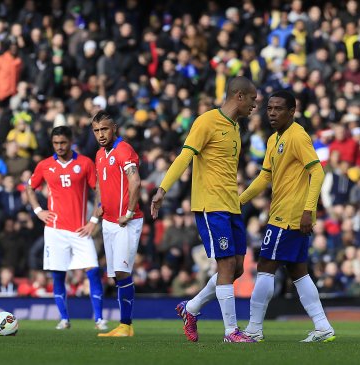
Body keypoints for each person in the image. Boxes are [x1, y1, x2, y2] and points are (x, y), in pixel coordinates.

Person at [151, 76, 258, 343]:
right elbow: (185, 156)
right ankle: (231, 332)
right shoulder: (206, 121)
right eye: (253, 100)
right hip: (211, 205)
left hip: (231, 205)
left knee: (236, 270)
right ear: (239, 97)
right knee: (225, 264)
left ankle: (191, 308)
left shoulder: (234, 127)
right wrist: (162, 189)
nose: (255, 106)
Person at [239, 91, 335, 343]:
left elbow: (318, 173)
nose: (272, 113)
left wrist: (307, 211)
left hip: (289, 215)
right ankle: (323, 327)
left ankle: (253, 330)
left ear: (292, 111)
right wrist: (239, 201)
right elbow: (264, 177)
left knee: (265, 267)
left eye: (278, 109)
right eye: (269, 108)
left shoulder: (297, 136)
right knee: (298, 271)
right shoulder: (273, 139)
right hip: (282, 213)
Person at [26, 126, 107, 331]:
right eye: (56, 143)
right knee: (58, 275)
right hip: (55, 230)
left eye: (63, 142)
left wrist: (93, 221)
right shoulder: (45, 165)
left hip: (81, 229)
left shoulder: (85, 163)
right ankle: (64, 319)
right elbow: (29, 187)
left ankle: (99, 319)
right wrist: (38, 211)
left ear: (70, 141)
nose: (59, 147)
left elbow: (98, 190)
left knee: (93, 271)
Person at [91, 111, 144, 337]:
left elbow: (135, 180)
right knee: (115, 274)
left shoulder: (124, 150)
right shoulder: (100, 154)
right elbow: (100, 185)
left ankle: (126, 325)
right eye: (96, 130)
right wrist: (99, 205)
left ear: (114, 128)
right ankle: (124, 325)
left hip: (126, 222)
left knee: (122, 271)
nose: (101, 135)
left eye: (104, 129)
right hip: (109, 221)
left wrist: (129, 212)